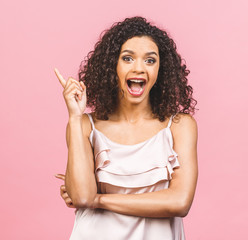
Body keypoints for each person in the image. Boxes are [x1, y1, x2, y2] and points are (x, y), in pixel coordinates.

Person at [54, 16, 198, 240]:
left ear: (161, 69)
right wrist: (74, 116)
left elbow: (179, 202)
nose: (139, 68)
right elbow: (82, 198)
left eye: (150, 60)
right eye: (128, 58)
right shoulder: (84, 125)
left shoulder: (179, 127)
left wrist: (99, 199)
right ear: (113, 66)